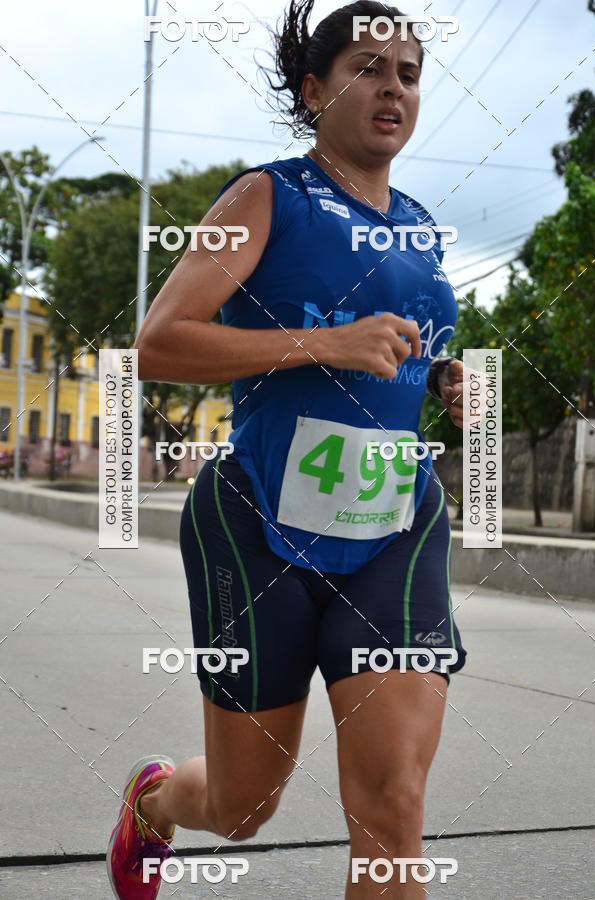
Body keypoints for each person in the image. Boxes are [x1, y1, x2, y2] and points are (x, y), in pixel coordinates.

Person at [107, 2, 468, 897]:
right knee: (242, 806)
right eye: (368, 68)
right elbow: (156, 344)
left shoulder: (422, 229)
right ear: (314, 90)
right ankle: (156, 799)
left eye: (408, 74)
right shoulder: (265, 197)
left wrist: (445, 381)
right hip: (257, 526)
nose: (392, 88)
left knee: (393, 801)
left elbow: (397, 360)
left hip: (392, 530)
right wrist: (326, 343)